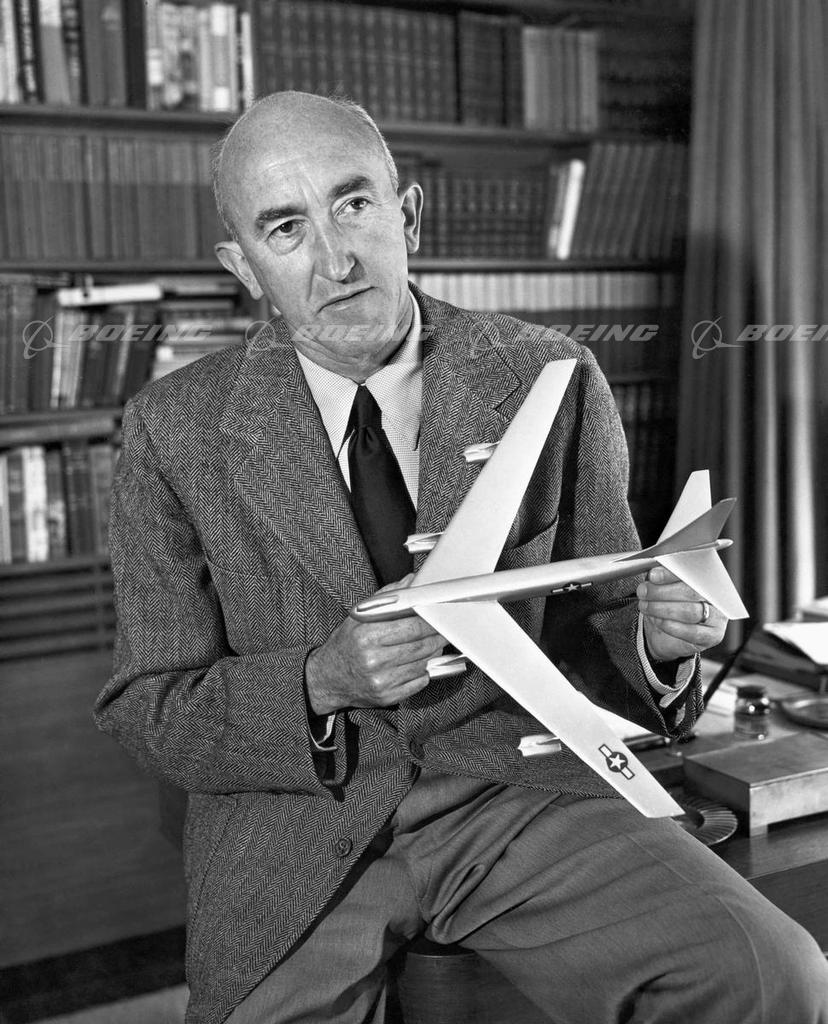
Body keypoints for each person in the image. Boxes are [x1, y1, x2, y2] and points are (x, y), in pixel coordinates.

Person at [94, 92, 828, 1024]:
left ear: (407, 215)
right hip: (295, 813)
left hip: (518, 785)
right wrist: (321, 681)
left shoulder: (548, 372)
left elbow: (599, 621)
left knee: (775, 974)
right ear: (244, 266)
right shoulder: (172, 429)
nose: (335, 259)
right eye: (286, 228)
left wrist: (659, 643)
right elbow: (150, 707)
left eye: (353, 204)